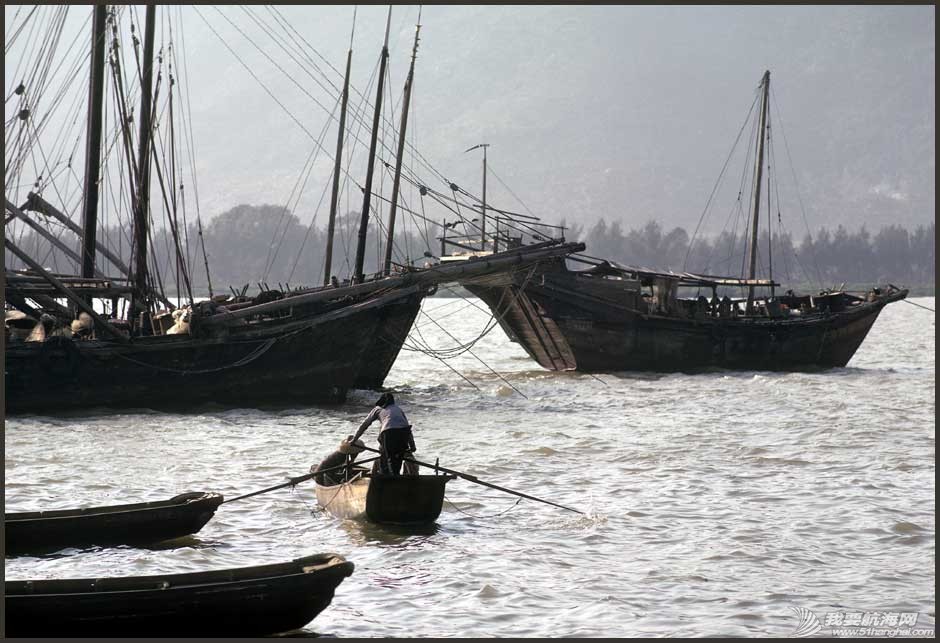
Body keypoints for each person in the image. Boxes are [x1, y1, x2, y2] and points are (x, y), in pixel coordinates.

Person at [353, 392, 416, 476]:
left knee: (389, 458)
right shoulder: (398, 409)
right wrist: (412, 445)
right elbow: (407, 428)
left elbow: (365, 425)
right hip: (403, 433)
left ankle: (389, 480)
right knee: (397, 460)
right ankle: (394, 477)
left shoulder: (377, 409)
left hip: (389, 432)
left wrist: (354, 439)